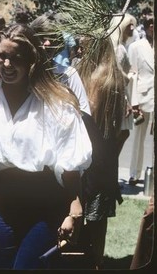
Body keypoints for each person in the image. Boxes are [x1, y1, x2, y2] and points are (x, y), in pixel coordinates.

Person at [0, 24, 92, 269]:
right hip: (3, 204)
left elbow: (70, 162)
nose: (7, 65)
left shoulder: (57, 102)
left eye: (16, 58)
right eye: (2, 56)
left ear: (31, 61)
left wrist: (75, 209)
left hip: (45, 204)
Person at [74, 35, 126, 269]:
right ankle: (95, 261)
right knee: (97, 220)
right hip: (103, 158)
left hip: (89, 158)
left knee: (86, 215)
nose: (79, 49)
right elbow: (120, 132)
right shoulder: (113, 78)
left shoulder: (99, 79)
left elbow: (90, 121)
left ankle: (87, 261)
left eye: (84, 45)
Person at [30, 12, 91, 114]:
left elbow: (84, 112)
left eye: (52, 38)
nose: (48, 43)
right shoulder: (24, 75)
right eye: (43, 37)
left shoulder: (69, 75)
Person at [108, 14, 140, 163]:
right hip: (119, 95)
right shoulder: (119, 49)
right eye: (129, 25)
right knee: (120, 135)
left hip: (116, 94)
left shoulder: (116, 46)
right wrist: (130, 75)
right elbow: (118, 74)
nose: (132, 28)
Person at [127, 16, 154, 185]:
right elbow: (132, 75)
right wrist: (134, 102)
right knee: (139, 138)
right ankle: (134, 174)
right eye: (150, 24)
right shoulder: (136, 47)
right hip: (143, 97)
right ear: (145, 27)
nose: (153, 27)